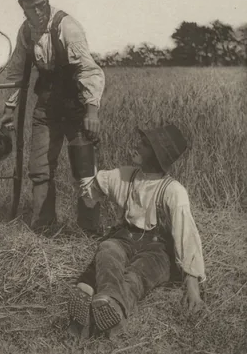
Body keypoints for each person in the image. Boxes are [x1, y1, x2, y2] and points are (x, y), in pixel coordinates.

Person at [67, 124, 206, 339]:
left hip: (158, 251)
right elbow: (90, 192)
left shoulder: (173, 191)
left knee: (136, 276)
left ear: (157, 155)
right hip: (125, 238)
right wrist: (84, 161)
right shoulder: (125, 176)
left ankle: (103, 307)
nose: (136, 145)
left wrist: (192, 284)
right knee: (107, 249)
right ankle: (105, 308)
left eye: (144, 144)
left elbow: (185, 235)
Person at [0, 0, 105, 233]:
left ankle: (89, 231)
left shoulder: (67, 26)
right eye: (30, 7)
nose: (37, 11)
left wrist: (91, 110)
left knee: (84, 168)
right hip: (46, 106)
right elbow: (16, 74)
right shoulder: (25, 32)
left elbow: (90, 71)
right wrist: (8, 108)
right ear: (21, 6)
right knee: (40, 169)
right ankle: (44, 228)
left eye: (41, 4)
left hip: (76, 105)